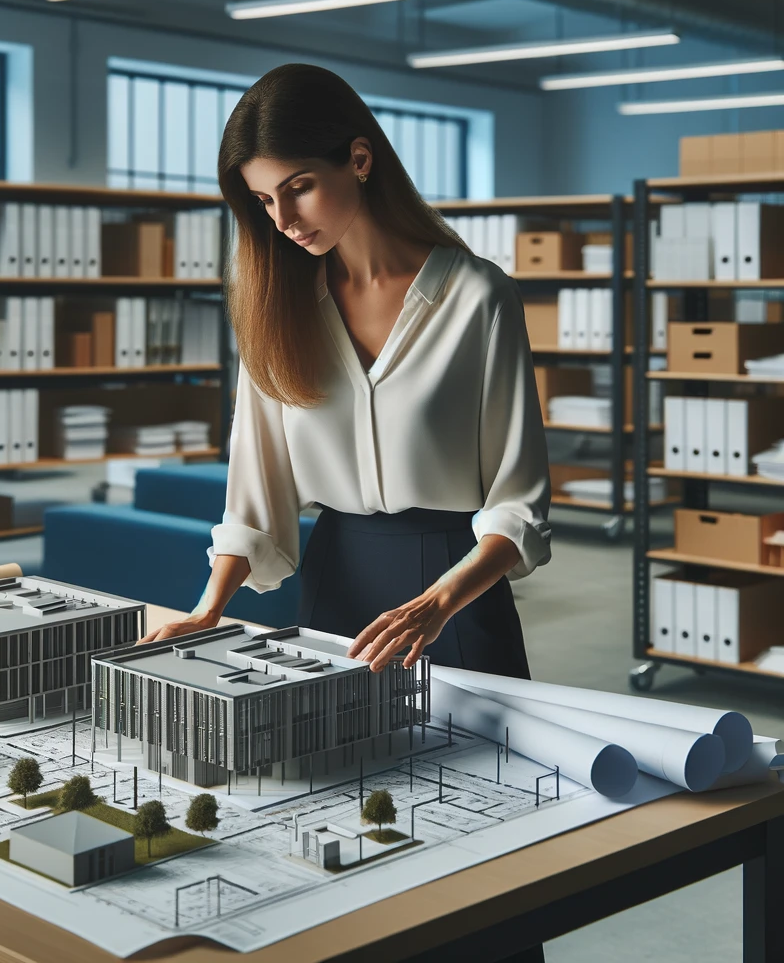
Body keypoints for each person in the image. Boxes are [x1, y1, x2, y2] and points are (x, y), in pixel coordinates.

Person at [140, 62, 551, 963]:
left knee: (480, 853)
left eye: (299, 188)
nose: (285, 220)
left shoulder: (478, 296)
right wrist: (211, 606)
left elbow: (518, 501)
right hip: (332, 597)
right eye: (264, 202)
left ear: (358, 158)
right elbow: (254, 488)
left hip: (457, 593)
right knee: (340, 840)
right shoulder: (276, 307)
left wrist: (440, 604)